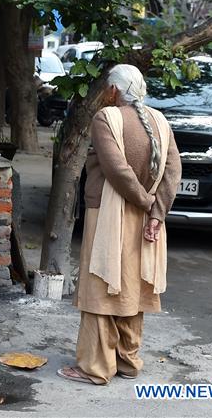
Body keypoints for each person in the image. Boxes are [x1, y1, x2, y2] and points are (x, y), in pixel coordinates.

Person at [58, 64, 181, 385]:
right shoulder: (160, 121)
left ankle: (95, 367)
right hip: (147, 220)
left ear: (113, 90)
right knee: (131, 287)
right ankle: (128, 361)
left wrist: (145, 203)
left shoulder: (106, 117)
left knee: (101, 285)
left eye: (106, 89)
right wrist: (156, 213)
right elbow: (173, 171)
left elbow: (116, 169)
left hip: (108, 215)